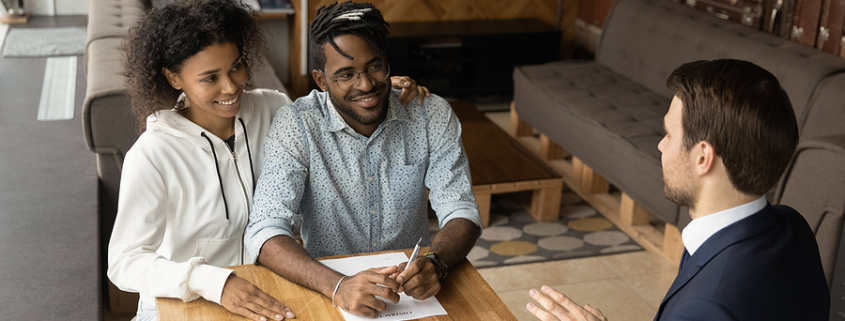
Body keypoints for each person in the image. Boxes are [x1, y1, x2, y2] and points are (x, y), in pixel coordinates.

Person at [107, 1, 429, 320]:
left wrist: (378, 90)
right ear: (174, 78)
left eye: (236, 66)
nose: (231, 86)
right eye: (210, 78)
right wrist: (213, 282)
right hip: (181, 305)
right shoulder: (152, 154)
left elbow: (328, 108)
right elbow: (124, 262)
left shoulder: (274, 109)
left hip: (264, 295)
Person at [525, 59, 830, 321]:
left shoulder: (705, 307)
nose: (660, 144)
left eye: (669, 134)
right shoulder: (794, 225)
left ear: (702, 158)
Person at [245, 1, 483, 318]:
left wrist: (436, 262)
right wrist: (338, 286)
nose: (366, 85)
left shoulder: (430, 114)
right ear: (321, 79)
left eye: (375, 67)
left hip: (413, 293)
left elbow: (462, 208)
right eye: (345, 75)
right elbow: (265, 231)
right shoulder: (297, 125)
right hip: (327, 289)